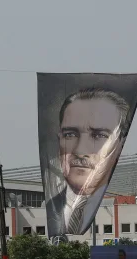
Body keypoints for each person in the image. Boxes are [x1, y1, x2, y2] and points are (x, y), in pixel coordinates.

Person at [45, 88, 131, 236]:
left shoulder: (123, 210)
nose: (80, 151)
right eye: (70, 134)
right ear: (59, 139)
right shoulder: (48, 208)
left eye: (98, 135)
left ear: (119, 145)